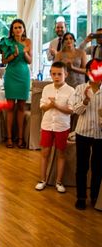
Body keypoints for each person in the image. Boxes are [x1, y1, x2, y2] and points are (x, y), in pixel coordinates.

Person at [36, 62, 74, 193]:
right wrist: (50, 105)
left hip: (62, 126)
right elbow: (42, 107)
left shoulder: (71, 90)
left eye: (59, 74)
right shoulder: (47, 88)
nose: (56, 76)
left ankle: (58, 182)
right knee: (44, 153)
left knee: (61, 154)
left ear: (66, 74)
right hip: (47, 125)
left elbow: (71, 110)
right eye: (53, 74)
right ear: (50, 74)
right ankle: (42, 180)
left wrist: (56, 105)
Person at [71, 60, 102, 209]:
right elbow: (76, 111)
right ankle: (81, 197)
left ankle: (95, 196)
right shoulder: (80, 88)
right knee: (82, 167)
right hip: (82, 132)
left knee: (98, 167)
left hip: (100, 134)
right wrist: (86, 100)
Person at [1, 18, 32, 148]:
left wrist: (24, 53)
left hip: (24, 75)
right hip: (11, 75)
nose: (18, 29)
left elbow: (30, 61)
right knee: (10, 107)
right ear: (12, 30)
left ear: (23, 29)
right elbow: (4, 61)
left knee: (21, 107)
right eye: (15, 27)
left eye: (20, 27)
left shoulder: (28, 42)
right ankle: (9, 138)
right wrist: (14, 55)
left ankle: (20, 138)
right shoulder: (7, 42)